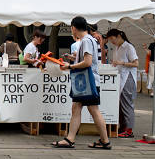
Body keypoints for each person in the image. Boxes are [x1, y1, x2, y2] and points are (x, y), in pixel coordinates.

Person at [54, 16, 111, 150]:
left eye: (71, 28)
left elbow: (88, 62)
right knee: (78, 107)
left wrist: (69, 66)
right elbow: (87, 59)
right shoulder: (89, 39)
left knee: (92, 110)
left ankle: (104, 141)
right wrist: (73, 58)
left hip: (88, 81)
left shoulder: (85, 41)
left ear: (73, 28)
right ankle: (71, 139)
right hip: (89, 81)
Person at [106, 28, 138, 138]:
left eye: (112, 39)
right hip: (119, 78)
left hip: (128, 78)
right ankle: (123, 127)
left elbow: (136, 63)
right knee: (120, 104)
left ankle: (129, 130)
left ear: (119, 36)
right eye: (110, 40)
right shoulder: (116, 48)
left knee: (127, 104)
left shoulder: (128, 47)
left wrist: (122, 63)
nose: (112, 42)